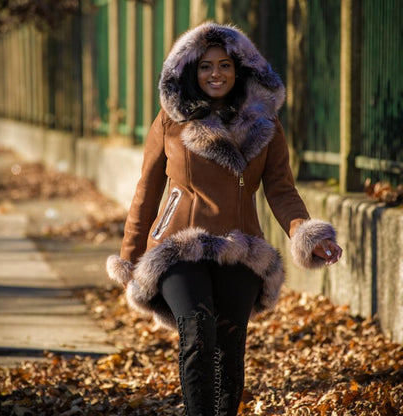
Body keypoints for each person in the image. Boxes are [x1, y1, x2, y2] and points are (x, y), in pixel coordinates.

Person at [107, 22, 342, 416]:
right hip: (178, 247)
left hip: (241, 247)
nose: (215, 73)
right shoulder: (171, 119)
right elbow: (146, 191)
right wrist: (129, 255)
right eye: (205, 66)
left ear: (240, 70)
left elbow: (281, 189)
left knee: (229, 346)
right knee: (198, 336)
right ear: (190, 71)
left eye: (225, 65)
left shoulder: (266, 123)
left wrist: (306, 233)